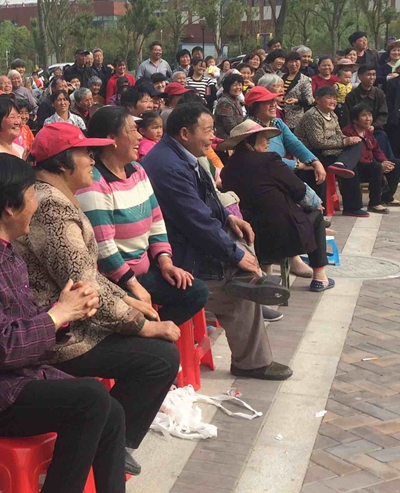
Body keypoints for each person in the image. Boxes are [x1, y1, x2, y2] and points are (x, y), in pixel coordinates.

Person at [0, 153, 127, 492]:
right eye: (32, 195)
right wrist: (58, 314)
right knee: (90, 399)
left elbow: (21, 324)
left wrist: (66, 312)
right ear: (9, 206)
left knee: (112, 411)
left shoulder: (4, 248)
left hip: (14, 377)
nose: (36, 204)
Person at [14, 122, 180, 474]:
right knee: (161, 357)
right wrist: (141, 326)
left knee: (158, 340)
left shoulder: (57, 198)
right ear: (62, 163)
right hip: (60, 335)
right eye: (85, 153)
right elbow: (83, 284)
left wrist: (129, 301)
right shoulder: (51, 208)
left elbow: (84, 272)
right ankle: (107, 442)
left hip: (75, 317)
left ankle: (107, 438)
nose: (92, 160)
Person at [142, 103, 293, 381]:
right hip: (179, 257)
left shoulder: (181, 156)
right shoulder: (168, 167)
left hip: (187, 244)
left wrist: (228, 217)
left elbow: (207, 201)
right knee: (239, 287)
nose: (213, 137)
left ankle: (251, 280)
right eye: (208, 130)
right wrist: (235, 255)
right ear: (185, 133)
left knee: (242, 239)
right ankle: (251, 360)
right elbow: (197, 221)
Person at [77, 106, 208, 326]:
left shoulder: (137, 170)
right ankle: (151, 333)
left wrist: (165, 262)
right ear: (112, 139)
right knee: (139, 315)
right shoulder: (95, 183)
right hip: (113, 282)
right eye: (132, 130)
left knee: (196, 291)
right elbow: (104, 248)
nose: (140, 136)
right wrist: (133, 285)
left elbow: (156, 221)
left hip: (143, 273)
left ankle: (156, 329)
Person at [219, 121, 334, 292]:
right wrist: (316, 204)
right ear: (248, 142)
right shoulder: (269, 160)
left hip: (251, 237)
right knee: (316, 216)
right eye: (263, 137)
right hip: (282, 235)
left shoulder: (227, 170)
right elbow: (298, 189)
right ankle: (320, 277)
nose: (268, 141)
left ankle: (267, 276)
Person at [294, 86, 367, 217]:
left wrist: (349, 140)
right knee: (350, 164)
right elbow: (317, 142)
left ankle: (341, 166)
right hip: (312, 153)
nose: (333, 101)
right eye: (329, 98)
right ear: (317, 99)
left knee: (356, 147)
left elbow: (339, 135)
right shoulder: (312, 115)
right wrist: (344, 142)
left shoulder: (332, 115)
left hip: (329, 150)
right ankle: (341, 166)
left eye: (334, 98)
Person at [342, 104, 400, 213]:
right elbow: (354, 155)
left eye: (370, 115)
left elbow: (377, 150)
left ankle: (386, 197)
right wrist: (380, 166)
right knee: (376, 167)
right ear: (355, 119)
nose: (368, 119)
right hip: (357, 167)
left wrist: (385, 162)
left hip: (371, 165)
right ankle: (374, 203)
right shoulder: (348, 132)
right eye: (364, 115)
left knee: (396, 163)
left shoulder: (367, 132)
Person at [280, 51, 314, 130]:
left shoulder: (305, 80)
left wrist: (297, 101)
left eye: (296, 61)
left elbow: (309, 100)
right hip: (279, 115)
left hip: (294, 119)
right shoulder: (280, 76)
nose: (294, 64)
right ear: (286, 63)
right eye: (291, 61)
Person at [214, 73, 246, 139]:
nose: (238, 87)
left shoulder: (235, 99)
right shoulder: (225, 102)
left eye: (240, 85)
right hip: (227, 139)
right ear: (228, 87)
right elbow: (230, 126)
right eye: (235, 85)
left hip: (236, 136)